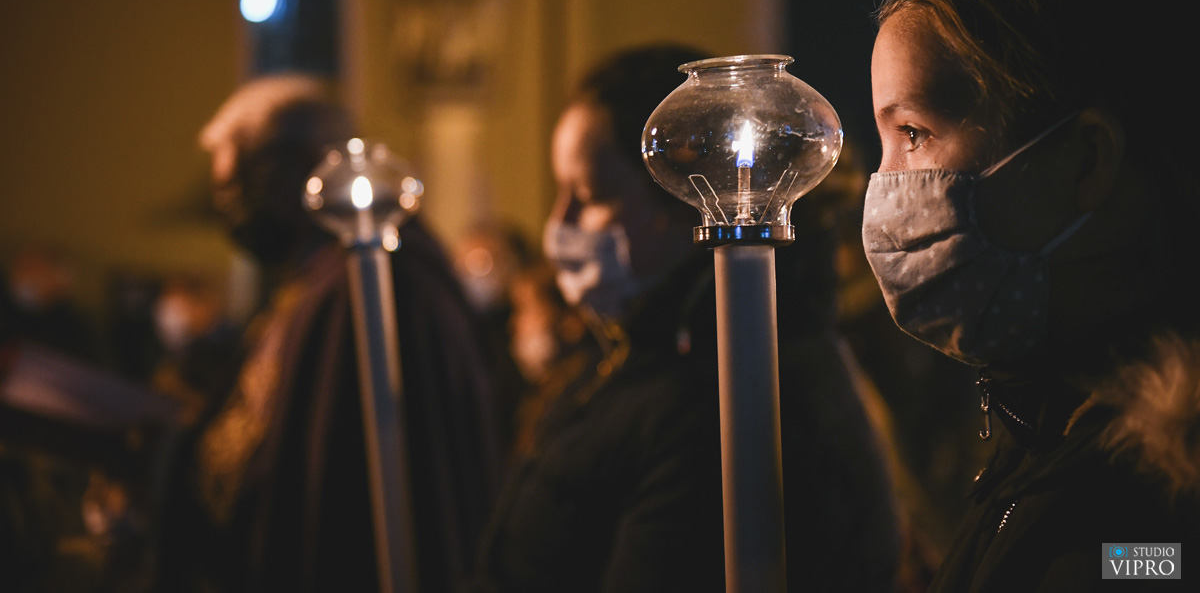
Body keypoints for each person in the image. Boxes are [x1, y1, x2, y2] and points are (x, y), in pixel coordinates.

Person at [473, 45, 901, 592]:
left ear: (683, 201)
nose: (560, 224)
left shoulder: (726, 390)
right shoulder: (626, 351)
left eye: (590, 195)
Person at [863, 0, 1200, 591]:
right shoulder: (1049, 429)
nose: (884, 186)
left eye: (916, 134)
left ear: (1085, 162)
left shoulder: (1145, 527)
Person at [153, 75, 500, 592]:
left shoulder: (376, 278)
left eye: (237, 186)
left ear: (298, 167)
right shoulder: (312, 278)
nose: (230, 209)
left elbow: (348, 478)